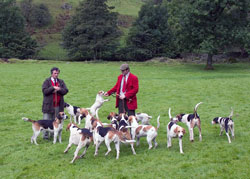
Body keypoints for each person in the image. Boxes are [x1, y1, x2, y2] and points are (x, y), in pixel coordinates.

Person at [42, 67, 68, 139]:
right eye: (55, 73)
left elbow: (65, 91)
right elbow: (45, 91)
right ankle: (45, 136)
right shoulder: (47, 81)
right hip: (48, 105)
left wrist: (59, 89)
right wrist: (53, 88)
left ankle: (54, 135)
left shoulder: (61, 82)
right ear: (51, 74)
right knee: (46, 121)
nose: (56, 75)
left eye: (57, 73)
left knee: (56, 121)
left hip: (58, 105)